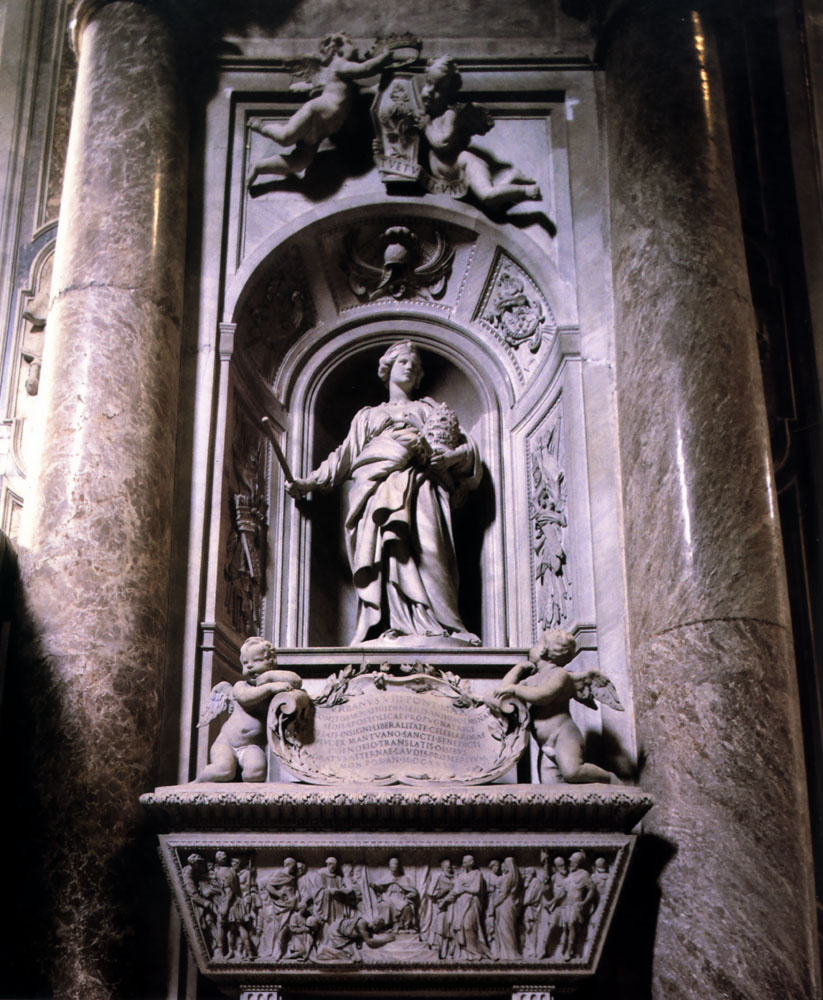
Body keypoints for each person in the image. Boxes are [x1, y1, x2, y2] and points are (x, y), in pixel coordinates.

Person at [286, 341, 482, 646]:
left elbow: (466, 448)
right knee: (387, 551)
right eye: (404, 362)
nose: (410, 368)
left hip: (422, 485)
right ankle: (392, 625)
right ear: (388, 367)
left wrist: (448, 458)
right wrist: (309, 482)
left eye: (415, 367)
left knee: (430, 550)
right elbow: (344, 457)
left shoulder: (428, 408)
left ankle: (442, 623)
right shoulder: (367, 416)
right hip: (376, 485)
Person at [246, 34, 406, 186]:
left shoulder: (346, 80)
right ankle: (262, 127)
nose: (357, 49)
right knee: (285, 137)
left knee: (301, 162)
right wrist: (383, 58)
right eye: (351, 44)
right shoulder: (340, 64)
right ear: (337, 49)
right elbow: (366, 68)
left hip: (325, 127)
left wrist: (384, 85)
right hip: (316, 112)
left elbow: (366, 90)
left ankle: (260, 167)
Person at [494, 629, 623, 783]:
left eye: (536, 644)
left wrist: (515, 689)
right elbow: (503, 691)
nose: (532, 648)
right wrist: (518, 669)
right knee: (550, 788)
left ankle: (609, 779)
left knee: (572, 771)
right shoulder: (532, 680)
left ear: (543, 649)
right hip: (545, 744)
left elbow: (543, 695)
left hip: (564, 735)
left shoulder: (560, 675)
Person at [420, 57, 541, 211]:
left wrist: (425, 127)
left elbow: (442, 143)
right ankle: (512, 178)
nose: (429, 92)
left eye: (438, 89)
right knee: (488, 199)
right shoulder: (431, 118)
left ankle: (525, 191)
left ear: (447, 95)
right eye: (428, 84)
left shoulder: (450, 115)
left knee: (487, 196)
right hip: (448, 176)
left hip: (467, 164)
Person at [196, 637, 309, 782]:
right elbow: (246, 697)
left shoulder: (273, 691)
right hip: (226, 743)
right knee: (224, 770)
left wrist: (269, 676)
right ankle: (197, 782)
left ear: (271, 662)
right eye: (245, 663)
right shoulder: (241, 686)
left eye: (256, 661)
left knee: (256, 772)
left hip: (251, 746)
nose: (249, 666)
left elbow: (296, 681)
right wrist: (269, 687)